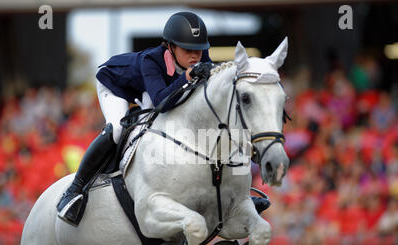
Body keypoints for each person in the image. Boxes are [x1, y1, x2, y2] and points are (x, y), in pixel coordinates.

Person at [57, 11, 269, 227]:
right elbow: (161, 102)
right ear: (170, 46)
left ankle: (233, 195)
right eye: (187, 50)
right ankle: (75, 190)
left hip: (153, 90)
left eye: (198, 49)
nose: (195, 56)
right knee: (117, 129)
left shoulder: (199, 56)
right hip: (115, 85)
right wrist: (187, 78)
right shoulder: (151, 60)